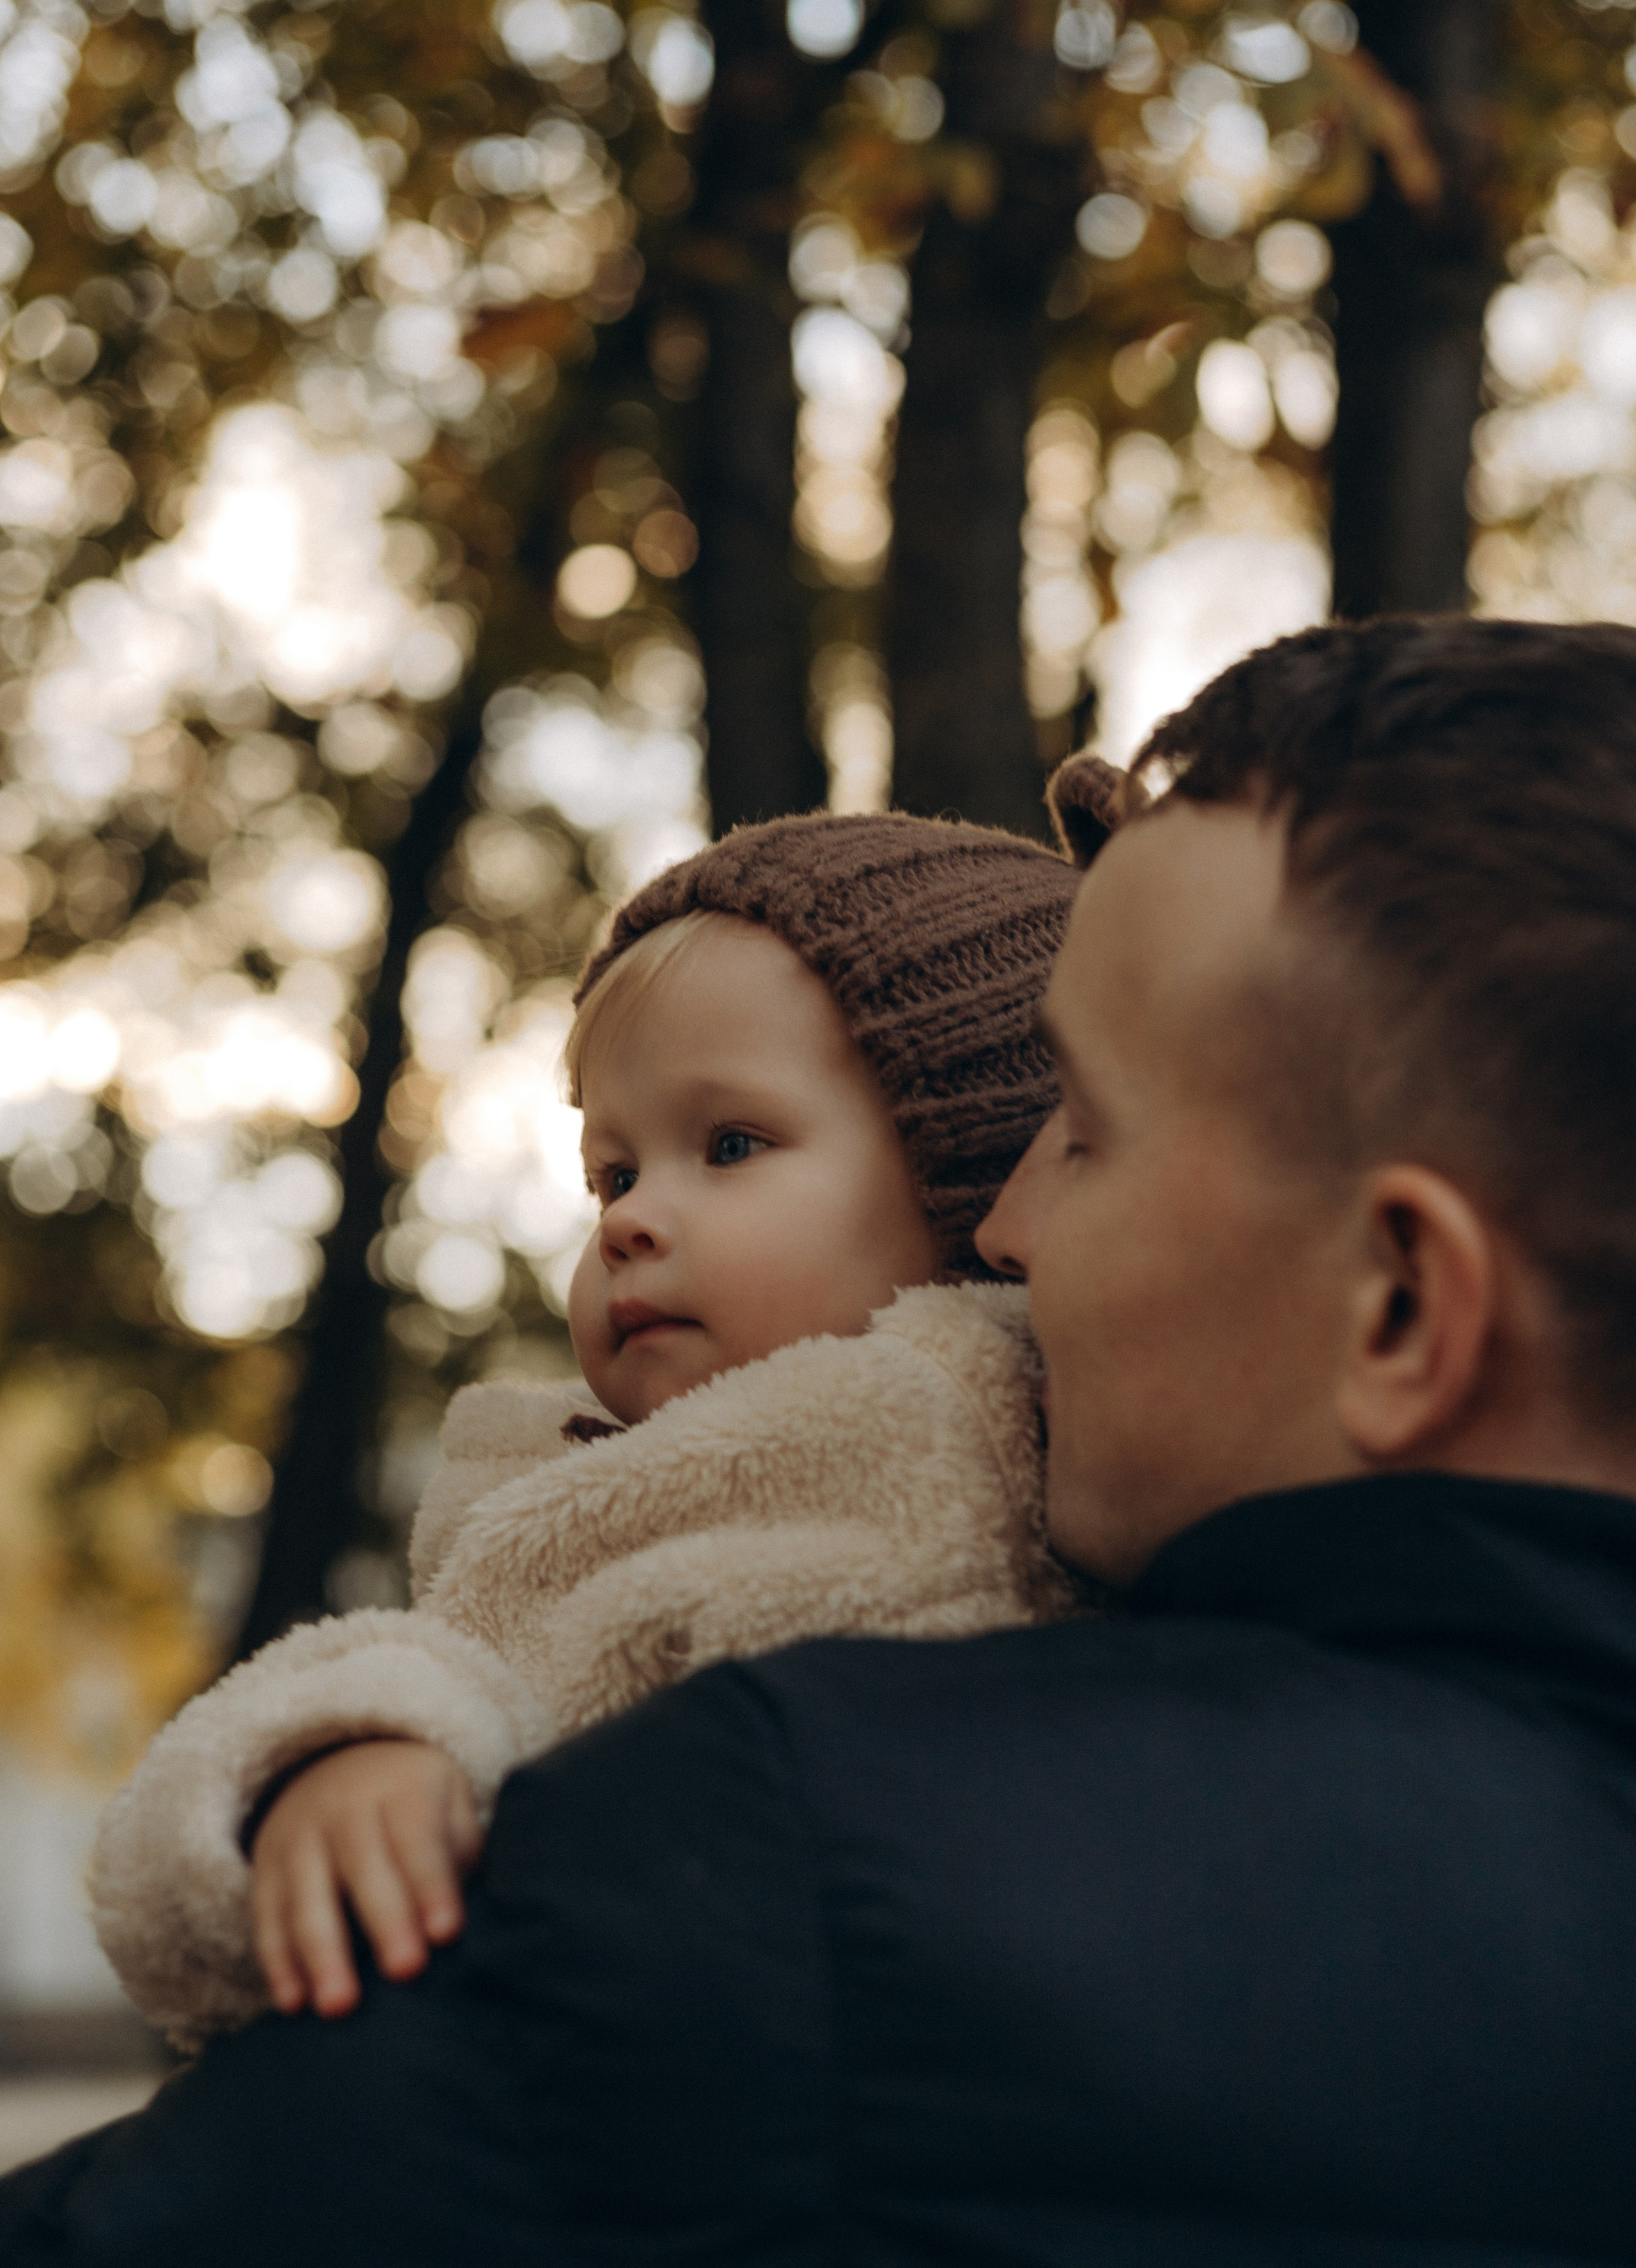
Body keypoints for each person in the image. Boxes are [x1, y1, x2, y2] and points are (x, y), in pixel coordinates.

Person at [10, 610, 1636, 2266]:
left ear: (1401, 1308)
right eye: (613, 1173)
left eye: (1085, 1129)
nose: (1001, 1228)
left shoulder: (794, 1843)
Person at [87, 810, 1086, 2049]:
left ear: (968, 1175)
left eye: (729, 1145)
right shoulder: (529, 1484)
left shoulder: (1004, 1441)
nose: (627, 1221)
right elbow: (414, 1670)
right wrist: (334, 1756)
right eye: (610, 1175)